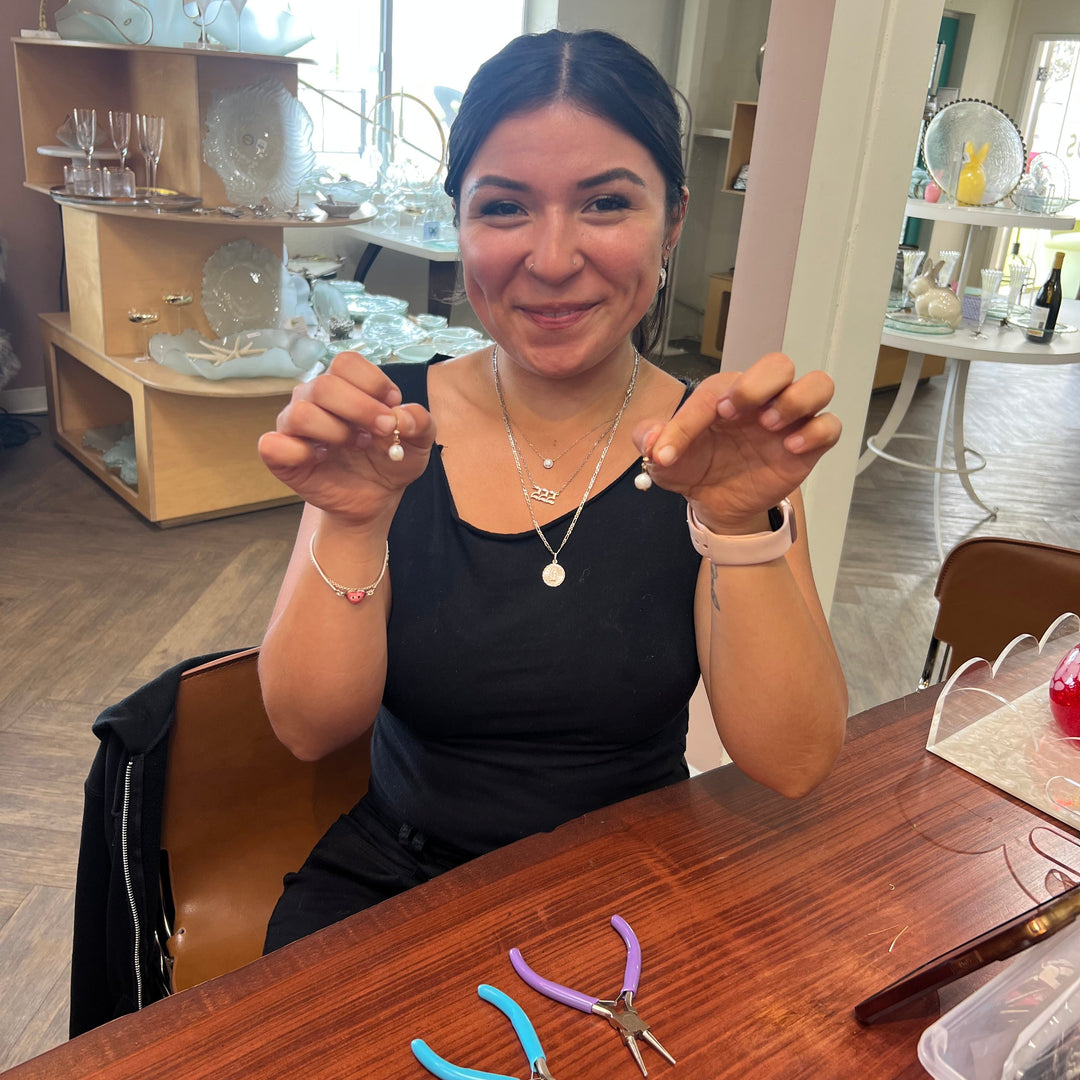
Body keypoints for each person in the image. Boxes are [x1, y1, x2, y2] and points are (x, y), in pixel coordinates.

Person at [256, 28, 848, 952]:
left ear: (674, 219)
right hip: (396, 890)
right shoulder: (386, 429)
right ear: (459, 224)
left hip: (632, 896)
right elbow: (306, 730)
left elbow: (795, 762)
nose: (554, 257)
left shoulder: (721, 452)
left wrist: (734, 521)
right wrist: (352, 516)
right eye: (504, 209)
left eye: (607, 203)